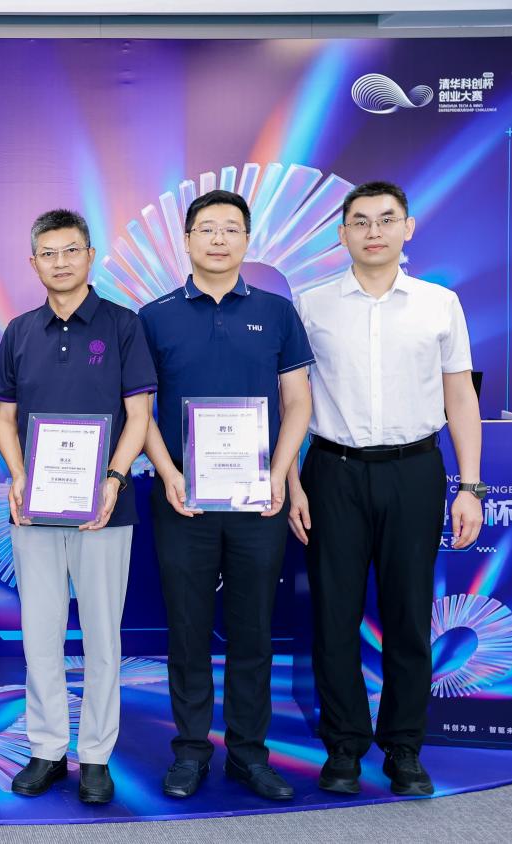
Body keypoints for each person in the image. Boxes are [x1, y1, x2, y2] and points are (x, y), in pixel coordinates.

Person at [288, 181, 483, 797]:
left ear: (408, 227)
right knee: (334, 616)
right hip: (333, 472)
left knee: (408, 616)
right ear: (342, 234)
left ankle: (404, 748)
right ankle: (344, 747)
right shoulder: (310, 305)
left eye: (386, 219)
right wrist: (292, 480)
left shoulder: (439, 303)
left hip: (414, 472)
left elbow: (460, 396)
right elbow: (292, 401)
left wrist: (470, 486)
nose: (374, 231)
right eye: (361, 221)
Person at [139, 189, 313, 801]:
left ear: (246, 240)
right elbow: (140, 412)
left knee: (253, 631)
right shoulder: (153, 316)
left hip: (257, 501)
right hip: (182, 500)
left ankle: (248, 753)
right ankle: (190, 751)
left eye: (231, 228)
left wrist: (279, 473)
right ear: (186, 241)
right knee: (187, 631)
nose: (218, 239)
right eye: (206, 228)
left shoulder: (278, 312)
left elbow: (298, 402)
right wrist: (168, 472)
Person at [0, 209, 156, 805]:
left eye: (70, 251)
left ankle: (96, 756)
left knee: (103, 637)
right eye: (48, 253)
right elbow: (4, 419)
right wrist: (18, 475)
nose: (60, 262)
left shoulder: (123, 325)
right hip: (34, 508)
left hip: (106, 508)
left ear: (90, 256)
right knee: (40, 635)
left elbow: (139, 416)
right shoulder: (19, 331)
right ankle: (47, 748)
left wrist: (113, 478)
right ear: (33, 263)